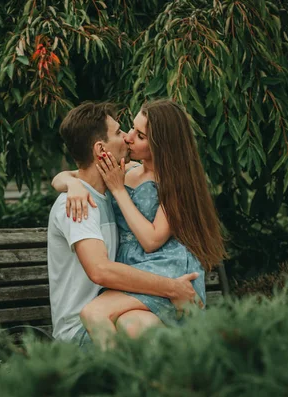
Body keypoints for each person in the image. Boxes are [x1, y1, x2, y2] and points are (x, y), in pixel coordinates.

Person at [52, 99, 227, 349]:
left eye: (140, 135)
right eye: (131, 128)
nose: (129, 137)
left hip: (166, 268)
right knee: (134, 325)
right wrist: (72, 184)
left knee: (94, 313)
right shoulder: (128, 168)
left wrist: (118, 190)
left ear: (160, 145)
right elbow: (72, 173)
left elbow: (152, 240)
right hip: (134, 270)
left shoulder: (171, 182)